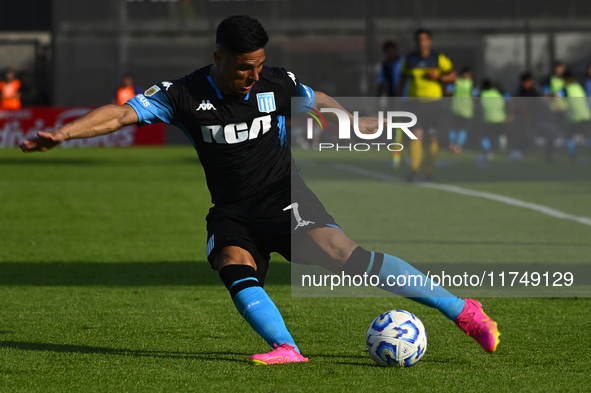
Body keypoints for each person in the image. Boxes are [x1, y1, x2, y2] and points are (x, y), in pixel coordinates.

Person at [20, 15, 499, 365]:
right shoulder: (182, 95)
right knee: (231, 260)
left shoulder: (276, 82)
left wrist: (346, 120)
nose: (253, 76)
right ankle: (287, 348)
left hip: (284, 195)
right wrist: (63, 134)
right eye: (244, 67)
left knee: (344, 254)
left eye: (259, 65)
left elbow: (318, 101)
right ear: (218, 59)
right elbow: (120, 113)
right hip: (233, 208)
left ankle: (463, 311)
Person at [397, 28, 456, 182]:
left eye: (424, 40)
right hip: (414, 104)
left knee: (431, 137)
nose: (421, 43)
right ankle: (414, 171)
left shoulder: (438, 59)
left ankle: (429, 173)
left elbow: (453, 77)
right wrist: (397, 100)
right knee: (416, 135)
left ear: (430, 41)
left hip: (433, 104)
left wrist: (440, 77)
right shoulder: (409, 59)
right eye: (418, 40)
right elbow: (402, 81)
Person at [376, 41, 406, 168]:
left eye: (393, 50)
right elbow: (381, 83)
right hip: (392, 101)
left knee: (408, 130)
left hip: (407, 100)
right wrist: (377, 100)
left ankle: (404, 156)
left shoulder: (404, 62)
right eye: (388, 51)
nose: (391, 53)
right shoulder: (386, 65)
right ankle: (395, 157)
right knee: (394, 130)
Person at [560, 71, 591, 161]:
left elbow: (557, 100)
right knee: (588, 136)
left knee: (568, 136)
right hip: (586, 116)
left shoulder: (564, 89)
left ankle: (573, 156)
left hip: (575, 118)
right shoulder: (578, 86)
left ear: (565, 79)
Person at [447, 66, 477, 154]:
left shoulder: (456, 81)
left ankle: (452, 144)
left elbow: (448, 91)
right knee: (463, 129)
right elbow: (475, 96)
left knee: (454, 127)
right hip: (466, 111)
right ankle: (458, 146)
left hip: (455, 109)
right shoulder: (471, 83)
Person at [479, 79, 508, 160]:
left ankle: (489, 151)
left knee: (485, 136)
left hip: (488, 119)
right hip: (500, 118)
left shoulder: (482, 94)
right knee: (498, 134)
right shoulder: (497, 92)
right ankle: (501, 143)